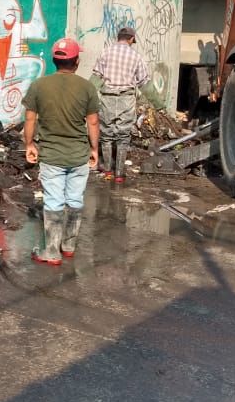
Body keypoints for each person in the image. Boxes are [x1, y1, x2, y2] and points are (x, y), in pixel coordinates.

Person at [23, 38, 100, 266]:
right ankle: (68, 246)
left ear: (54, 60)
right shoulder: (87, 87)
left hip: (52, 156)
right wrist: (94, 149)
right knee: (75, 199)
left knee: (54, 201)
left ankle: (51, 251)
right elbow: (93, 123)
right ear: (76, 61)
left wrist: (29, 144)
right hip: (78, 156)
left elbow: (30, 118)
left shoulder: (39, 86)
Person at [92, 26, 149, 184]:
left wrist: (86, 96)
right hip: (126, 99)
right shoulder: (136, 56)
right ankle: (119, 174)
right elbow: (144, 82)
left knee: (107, 135)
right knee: (123, 137)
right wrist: (159, 104)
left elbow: (96, 77)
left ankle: (108, 171)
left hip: (107, 98)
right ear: (131, 39)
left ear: (118, 37)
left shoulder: (106, 52)